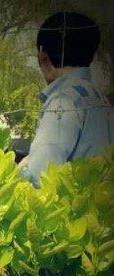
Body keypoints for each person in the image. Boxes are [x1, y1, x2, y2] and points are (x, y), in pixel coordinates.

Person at [19, 12, 113, 186]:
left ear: (42, 55)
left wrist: (21, 169)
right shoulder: (101, 99)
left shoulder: (63, 101)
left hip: (71, 203)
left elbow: (40, 177)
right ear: (91, 55)